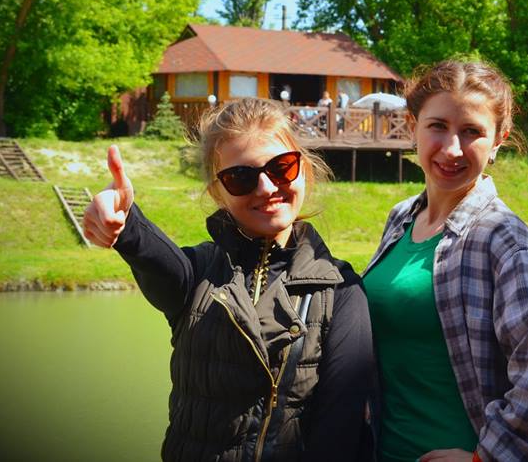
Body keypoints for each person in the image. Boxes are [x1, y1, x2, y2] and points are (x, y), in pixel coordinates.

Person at [83, 97, 374, 461]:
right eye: (240, 178)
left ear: (304, 170)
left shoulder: (342, 290)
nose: (266, 188)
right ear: (217, 193)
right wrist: (126, 223)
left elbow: (339, 431)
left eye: (281, 167)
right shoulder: (197, 273)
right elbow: (157, 259)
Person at [362, 59, 528, 462]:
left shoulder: (500, 235)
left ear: (498, 141)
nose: (452, 148)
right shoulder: (401, 218)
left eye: (472, 132)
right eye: (438, 126)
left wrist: (488, 457)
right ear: (413, 126)